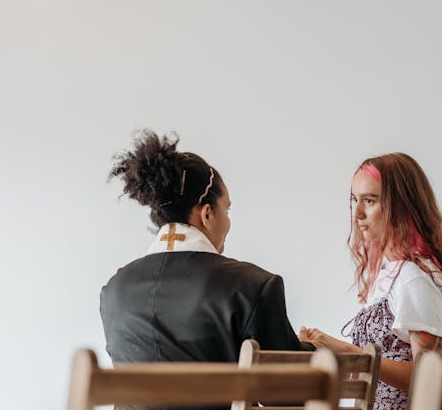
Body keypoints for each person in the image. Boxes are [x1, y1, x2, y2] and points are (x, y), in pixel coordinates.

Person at [100, 131, 313, 409]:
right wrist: (310, 350)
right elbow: (289, 396)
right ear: (207, 213)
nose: (228, 222)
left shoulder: (114, 290)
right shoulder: (252, 286)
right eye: (227, 210)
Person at [299, 153, 442, 410]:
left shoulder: (413, 278)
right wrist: (328, 346)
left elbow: (430, 379)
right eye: (354, 200)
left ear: (402, 206)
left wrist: (349, 350)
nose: (358, 214)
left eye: (370, 200)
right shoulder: (393, 273)